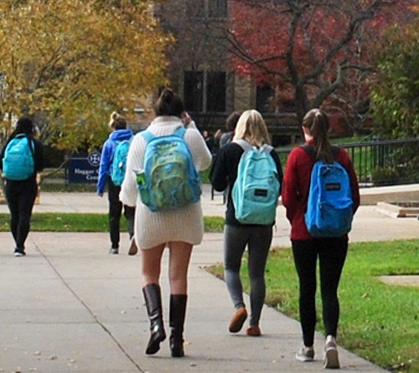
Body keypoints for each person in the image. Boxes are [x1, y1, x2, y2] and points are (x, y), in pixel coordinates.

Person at [120, 88, 212, 357]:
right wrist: (190, 125)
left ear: (155, 111)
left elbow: (129, 189)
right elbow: (205, 162)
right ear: (181, 112)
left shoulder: (141, 140)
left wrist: (128, 200)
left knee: (149, 272)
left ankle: (156, 325)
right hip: (186, 214)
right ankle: (177, 339)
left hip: (151, 215)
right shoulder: (190, 136)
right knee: (178, 275)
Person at [281, 109, 360, 369]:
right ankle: (330, 339)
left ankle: (307, 346)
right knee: (329, 289)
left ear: (306, 129)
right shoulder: (342, 156)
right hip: (336, 233)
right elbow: (354, 198)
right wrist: (339, 220)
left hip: (304, 232)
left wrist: (296, 218)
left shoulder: (297, 156)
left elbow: (289, 195)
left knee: (307, 287)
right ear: (328, 129)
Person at [210, 110, 282, 337]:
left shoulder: (231, 150)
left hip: (237, 218)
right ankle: (254, 323)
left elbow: (217, 183)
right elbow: (280, 183)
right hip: (263, 221)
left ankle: (239, 306)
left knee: (231, 267)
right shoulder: (271, 153)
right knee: (257, 273)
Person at [1, 117, 45, 257]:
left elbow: (0, 163)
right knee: (25, 214)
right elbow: (41, 164)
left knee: (14, 215)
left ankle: (17, 242)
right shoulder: (34, 143)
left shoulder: (10, 143)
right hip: (28, 183)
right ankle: (20, 246)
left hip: (11, 183)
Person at [97, 112, 138, 256]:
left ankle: (114, 246)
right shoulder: (134, 141)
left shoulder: (109, 143)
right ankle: (133, 234)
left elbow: (104, 165)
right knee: (130, 210)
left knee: (114, 213)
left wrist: (100, 186)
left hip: (114, 181)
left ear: (113, 127)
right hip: (130, 179)